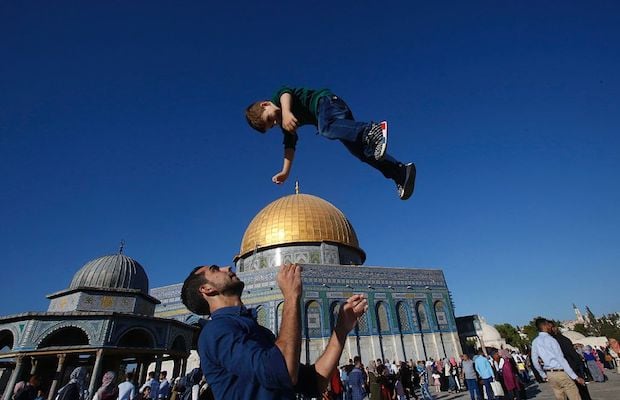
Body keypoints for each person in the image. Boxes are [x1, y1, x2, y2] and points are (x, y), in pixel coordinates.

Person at [180, 263, 368, 400]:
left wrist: (341, 329)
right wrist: (291, 296)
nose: (227, 267)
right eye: (215, 269)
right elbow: (284, 370)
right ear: (206, 289)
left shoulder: (257, 331)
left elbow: (315, 382)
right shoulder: (216, 331)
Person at [245, 86, 416, 200]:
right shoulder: (285, 126)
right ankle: (400, 172)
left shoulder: (279, 100)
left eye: (270, 119)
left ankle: (370, 130)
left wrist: (288, 112)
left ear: (266, 104)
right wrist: (285, 172)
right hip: (338, 121)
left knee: (325, 128)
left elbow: (285, 91)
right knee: (363, 153)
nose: (275, 122)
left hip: (326, 102)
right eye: (271, 125)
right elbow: (289, 145)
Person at [530, 318, 585, 400]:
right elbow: (561, 359)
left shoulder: (535, 342)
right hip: (560, 371)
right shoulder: (551, 340)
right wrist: (575, 377)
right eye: (548, 325)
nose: (550, 327)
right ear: (544, 326)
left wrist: (543, 375)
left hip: (550, 374)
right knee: (574, 396)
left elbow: (535, 361)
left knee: (560, 397)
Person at [548, 322, 592, 400]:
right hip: (571, 369)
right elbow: (573, 355)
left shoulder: (557, 341)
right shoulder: (560, 340)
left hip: (569, 369)